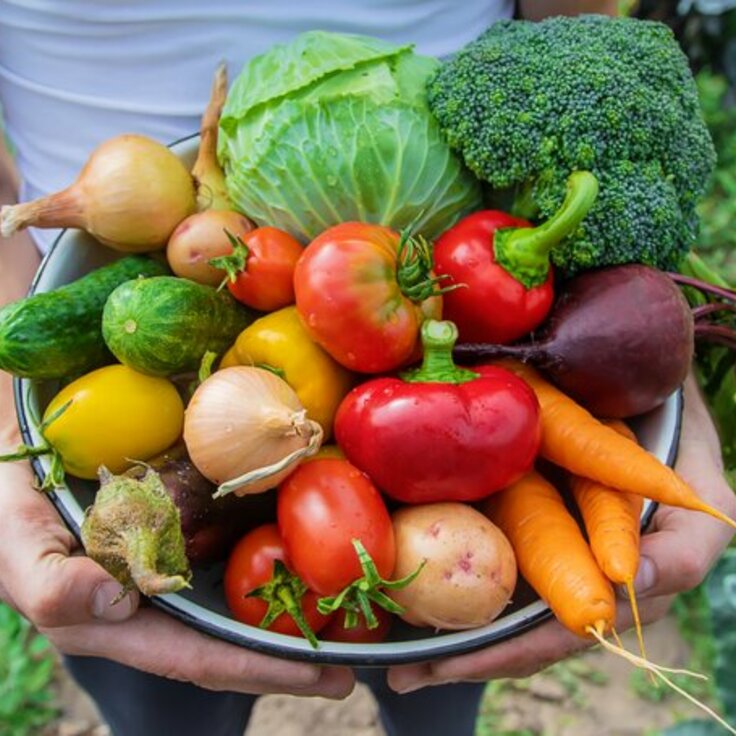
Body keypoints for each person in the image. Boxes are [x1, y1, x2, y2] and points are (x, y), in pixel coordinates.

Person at [1, 1, 733, 735]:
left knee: (440, 678)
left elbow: (574, 41)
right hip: (101, 249)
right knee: (165, 713)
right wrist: (4, 414)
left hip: (467, 202)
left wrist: (660, 358)